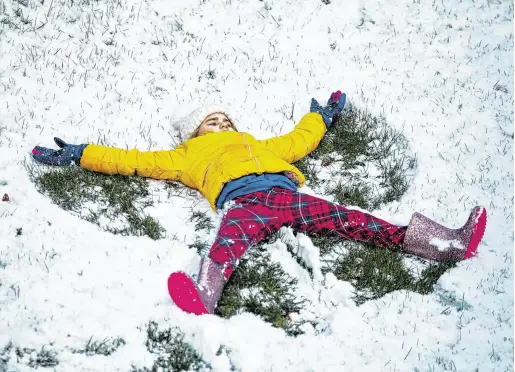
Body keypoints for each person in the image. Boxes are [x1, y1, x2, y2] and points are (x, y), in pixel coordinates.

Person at [31, 91, 487, 316]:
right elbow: (133, 160)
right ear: (195, 132)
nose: (223, 122)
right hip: (242, 204)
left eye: (226, 117)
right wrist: (83, 154)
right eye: (213, 120)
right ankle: (204, 295)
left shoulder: (258, 143)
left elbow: (298, 141)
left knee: (349, 219)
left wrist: (319, 117)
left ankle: (440, 242)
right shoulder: (184, 156)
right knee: (226, 244)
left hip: (287, 197)